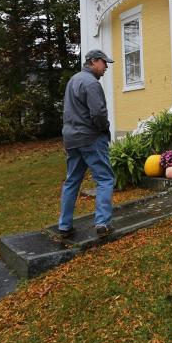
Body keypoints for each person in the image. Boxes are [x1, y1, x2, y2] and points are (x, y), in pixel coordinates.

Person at [55, 49, 116, 240]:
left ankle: (64, 226)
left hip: (71, 140)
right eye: (104, 63)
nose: (106, 67)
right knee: (105, 179)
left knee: (72, 181)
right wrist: (105, 128)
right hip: (91, 138)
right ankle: (102, 223)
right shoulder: (91, 83)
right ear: (94, 62)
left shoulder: (73, 80)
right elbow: (98, 114)